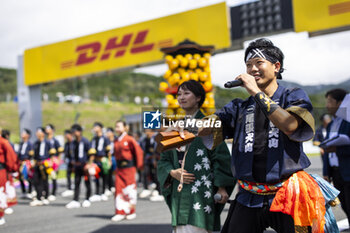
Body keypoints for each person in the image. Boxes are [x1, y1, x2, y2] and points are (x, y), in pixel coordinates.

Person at [198, 38, 330, 233]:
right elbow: (207, 126)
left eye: (259, 63)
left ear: (276, 66)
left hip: (288, 193)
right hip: (248, 194)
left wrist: (255, 92)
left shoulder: (293, 95)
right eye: (248, 65)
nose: (252, 70)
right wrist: (184, 124)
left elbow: (290, 125)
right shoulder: (238, 107)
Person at [157, 80, 235, 233]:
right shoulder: (173, 128)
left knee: (197, 226)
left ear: (198, 97)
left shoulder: (209, 126)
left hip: (201, 190)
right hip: (179, 190)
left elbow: (221, 157)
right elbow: (164, 160)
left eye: (186, 93)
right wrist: (172, 172)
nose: (181, 97)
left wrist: (221, 187)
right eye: (179, 94)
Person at [322, 88, 350, 227]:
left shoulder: (348, 122)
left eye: (330, 101)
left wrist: (339, 150)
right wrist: (326, 173)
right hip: (336, 173)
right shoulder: (332, 124)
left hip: (348, 171)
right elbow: (327, 148)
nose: (327, 105)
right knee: (344, 205)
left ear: (341, 103)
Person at [111, 120, 143, 222]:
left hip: (129, 168)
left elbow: (138, 152)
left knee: (130, 189)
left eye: (119, 126)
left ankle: (131, 211)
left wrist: (139, 166)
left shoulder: (129, 139)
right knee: (119, 190)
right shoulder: (116, 140)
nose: (117, 129)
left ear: (125, 127)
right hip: (119, 169)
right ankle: (120, 212)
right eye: (116, 127)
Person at [65, 124, 92, 209]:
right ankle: (75, 200)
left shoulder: (85, 141)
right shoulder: (73, 143)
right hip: (77, 165)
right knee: (77, 182)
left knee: (87, 182)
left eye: (75, 131)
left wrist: (89, 164)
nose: (73, 133)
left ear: (79, 132)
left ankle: (87, 199)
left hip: (85, 165)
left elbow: (91, 154)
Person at [30, 127, 56, 206]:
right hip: (38, 164)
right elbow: (34, 154)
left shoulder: (48, 143)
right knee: (36, 180)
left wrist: (51, 162)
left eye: (39, 132)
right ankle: (39, 197)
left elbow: (52, 153)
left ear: (43, 134)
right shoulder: (36, 143)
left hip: (45, 164)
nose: (37, 134)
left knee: (45, 180)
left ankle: (46, 196)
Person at [0, 128, 18, 225]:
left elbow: (11, 156)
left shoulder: (3, 142)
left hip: (1, 171)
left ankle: (0, 215)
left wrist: (13, 169)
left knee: (1, 193)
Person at [89, 122, 110, 202]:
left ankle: (103, 192)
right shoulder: (93, 139)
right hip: (96, 161)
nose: (94, 129)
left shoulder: (105, 139)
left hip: (103, 160)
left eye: (96, 127)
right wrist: (91, 163)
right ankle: (97, 193)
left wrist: (109, 160)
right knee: (96, 177)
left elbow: (108, 151)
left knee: (104, 177)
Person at [45, 124, 64, 201]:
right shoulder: (45, 140)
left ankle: (53, 193)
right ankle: (45, 192)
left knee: (53, 176)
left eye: (48, 128)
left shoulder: (55, 141)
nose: (47, 130)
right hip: (46, 161)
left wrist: (58, 161)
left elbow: (60, 151)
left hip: (54, 161)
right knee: (44, 177)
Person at [17, 129, 34, 199]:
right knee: (20, 177)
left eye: (24, 133)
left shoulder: (30, 144)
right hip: (21, 162)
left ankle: (30, 191)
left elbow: (31, 154)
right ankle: (24, 191)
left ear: (28, 135)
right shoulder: (21, 144)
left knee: (29, 177)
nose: (22, 134)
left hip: (27, 162)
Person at [61, 129, 74, 197]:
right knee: (68, 174)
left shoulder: (74, 143)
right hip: (69, 161)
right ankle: (69, 188)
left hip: (75, 161)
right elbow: (65, 152)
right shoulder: (67, 144)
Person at [105, 127, 117, 196]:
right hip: (108, 157)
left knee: (115, 173)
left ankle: (115, 186)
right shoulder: (106, 140)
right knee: (108, 172)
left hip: (115, 157)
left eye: (108, 132)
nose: (107, 134)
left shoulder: (116, 139)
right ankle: (110, 186)